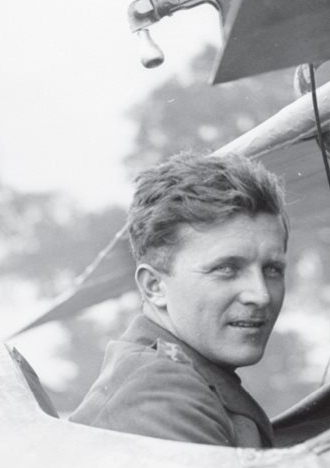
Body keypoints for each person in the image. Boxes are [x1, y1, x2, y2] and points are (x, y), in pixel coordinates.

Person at [70, 151, 288, 448]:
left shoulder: (182, 378)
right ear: (154, 286)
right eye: (226, 269)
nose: (261, 295)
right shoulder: (156, 396)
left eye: (272, 269)